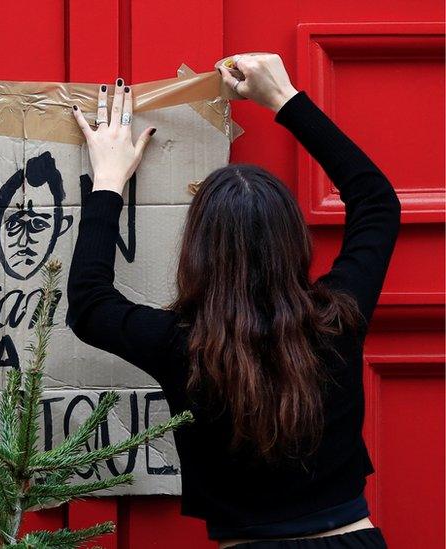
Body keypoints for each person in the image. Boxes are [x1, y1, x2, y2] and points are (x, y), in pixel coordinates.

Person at [68, 53, 398, 548]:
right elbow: (375, 201)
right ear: (293, 240)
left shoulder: (181, 345)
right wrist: (284, 100)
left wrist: (109, 180)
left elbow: (91, 304)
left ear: (197, 250)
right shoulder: (337, 318)